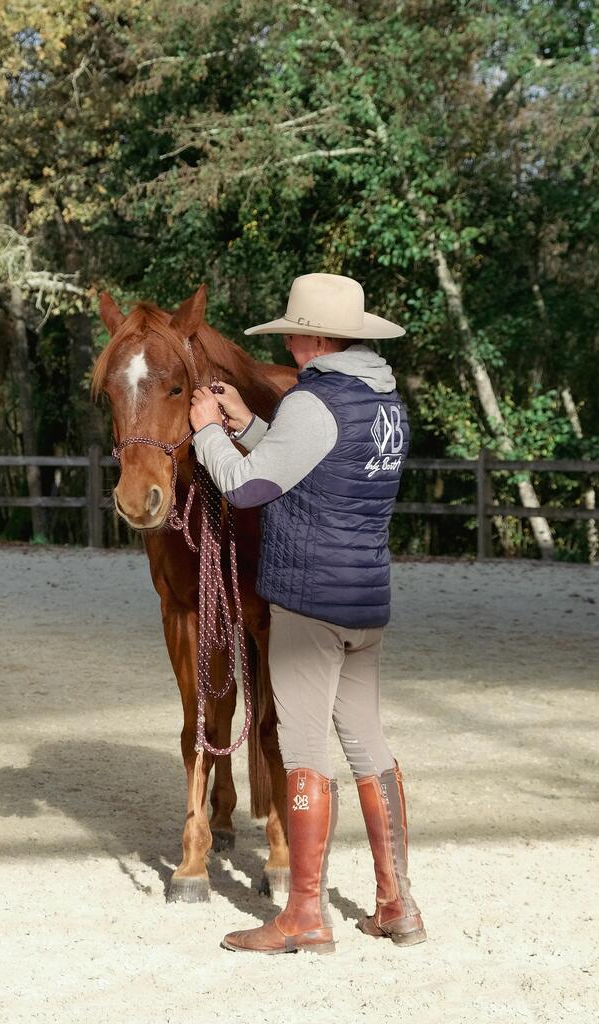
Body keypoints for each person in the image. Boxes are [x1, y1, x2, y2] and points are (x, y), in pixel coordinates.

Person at [187, 272, 425, 955]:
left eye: (294, 332)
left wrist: (208, 433)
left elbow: (247, 485)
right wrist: (251, 424)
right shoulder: (383, 402)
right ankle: (396, 904)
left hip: (308, 602)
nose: (289, 343)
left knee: (305, 753)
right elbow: (320, 463)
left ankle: (302, 916)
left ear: (318, 340)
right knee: (369, 746)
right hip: (364, 598)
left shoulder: (314, 399)